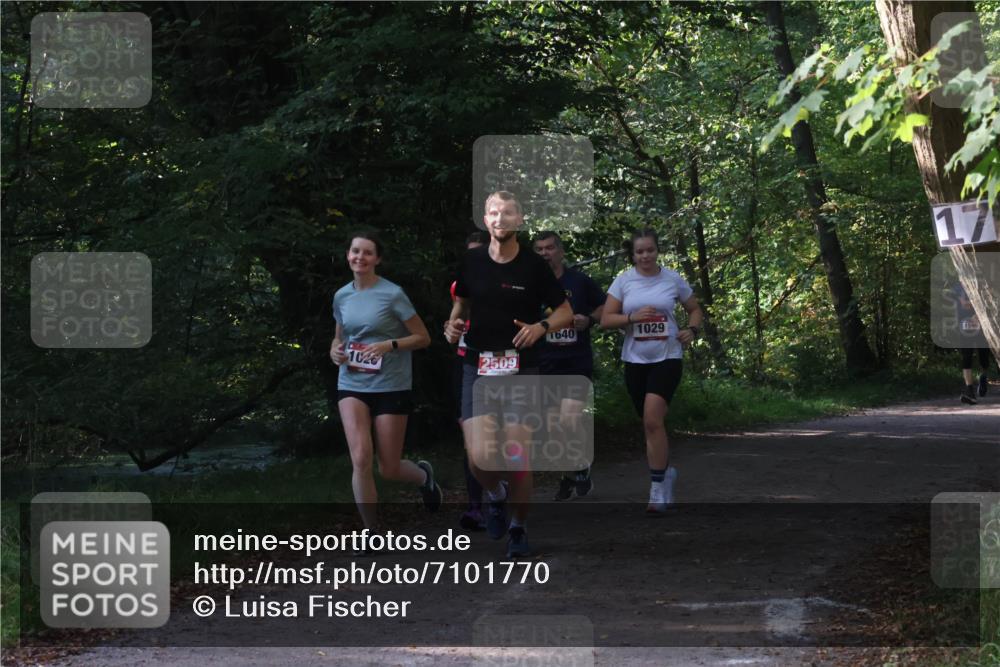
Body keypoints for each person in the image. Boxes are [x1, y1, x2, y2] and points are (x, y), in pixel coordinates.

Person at [444, 191, 573, 557]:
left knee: (517, 456)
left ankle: (518, 527)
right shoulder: (471, 262)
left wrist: (540, 327)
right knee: (480, 458)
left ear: (520, 220)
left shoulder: (534, 266)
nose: (500, 219)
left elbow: (564, 311)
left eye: (508, 213)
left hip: (521, 368)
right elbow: (461, 304)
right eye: (494, 213)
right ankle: (496, 495)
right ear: (485, 220)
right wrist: (452, 326)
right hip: (478, 367)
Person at [330, 231, 442, 533]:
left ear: (377, 259)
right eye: (355, 251)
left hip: (391, 383)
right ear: (348, 255)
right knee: (361, 459)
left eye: (367, 253)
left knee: (388, 468)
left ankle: (423, 477)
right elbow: (339, 335)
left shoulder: (392, 294)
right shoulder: (342, 295)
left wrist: (388, 345)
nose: (359, 258)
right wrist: (334, 350)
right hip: (352, 383)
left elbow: (423, 338)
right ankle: (369, 532)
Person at [600, 227, 703, 514]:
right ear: (632, 255)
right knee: (648, 424)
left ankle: (657, 488)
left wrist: (691, 329)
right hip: (635, 360)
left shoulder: (672, 278)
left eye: (650, 250)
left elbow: (695, 308)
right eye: (640, 251)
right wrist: (631, 317)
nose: (645, 255)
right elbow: (606, 319)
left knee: (652, 420)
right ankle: (666, 472)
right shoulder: (623, 281)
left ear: (658, 251)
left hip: (667, 357)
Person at [533, 230, 605, 500]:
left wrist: (588, 319)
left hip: (576, 361)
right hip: (546, 363)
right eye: (539, 249)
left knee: (568, 420)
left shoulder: (579, 281)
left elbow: (602, 308)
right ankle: (572, 472)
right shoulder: (530, 286)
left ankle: (579, 468)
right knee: (554, 428)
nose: (544, 253)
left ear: (560, 251)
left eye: (549, 248)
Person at [451, 231, 489, 530]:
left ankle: (505, 499)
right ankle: (476, 505)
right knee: (470, 434)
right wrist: (450, 329)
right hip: (469, 363)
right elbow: (455, 320)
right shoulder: (459, 286)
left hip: (506, 365)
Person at [953, 281, 994, 404]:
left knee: (984, 356)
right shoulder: (957, 286)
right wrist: (977, 304)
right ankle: (969, 390)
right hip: (965, 325)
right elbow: (964, 304)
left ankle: (983, 377)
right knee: (966, 356)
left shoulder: (983, 284)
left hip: (982, 325)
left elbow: (990, 301)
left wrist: (978, 314)